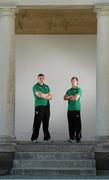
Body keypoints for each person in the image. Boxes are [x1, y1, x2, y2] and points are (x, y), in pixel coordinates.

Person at [31, 73, 53, 143]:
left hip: (47, 106)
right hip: (39, 106)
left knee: (46, 123)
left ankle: (46, 138)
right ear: (38, 78)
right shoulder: (35, 86)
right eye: (40, 78)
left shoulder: (46, 86)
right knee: (37, 123)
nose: (41, 79)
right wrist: (46, 95)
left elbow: (51, 96)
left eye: (43, 78)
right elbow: (39, 95)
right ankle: (34, 138)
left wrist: (44, 95)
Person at [64, 77, 82, 143]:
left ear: (77, 82)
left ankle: (78, 139)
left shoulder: (78, 90)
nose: (73, 82)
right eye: (72, 81)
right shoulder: (69, 90)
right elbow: (64, 97)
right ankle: (71, 138)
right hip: (69, 110)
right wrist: (71, 96)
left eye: (74, 81)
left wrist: (69, 97)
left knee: (77, 124)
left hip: (76, 109)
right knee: (71, 124)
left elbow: (76, 98)